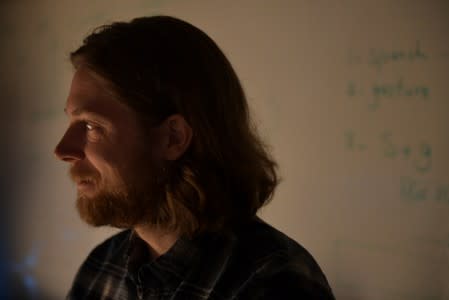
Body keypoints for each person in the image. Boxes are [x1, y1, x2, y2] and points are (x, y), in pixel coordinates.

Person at [54, 15, 335, 300]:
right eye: (71, 123)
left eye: (91, 126)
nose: (63, 149)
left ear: (173, 138)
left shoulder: (274, 283)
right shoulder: (101, 268)